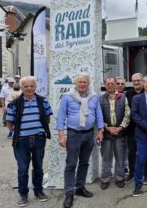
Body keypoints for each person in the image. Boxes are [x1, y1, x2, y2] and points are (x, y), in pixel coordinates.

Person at [56, 72, 104, 208]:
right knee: (71, 164)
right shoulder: (67, 97)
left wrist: (100, 130)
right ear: (75, 84)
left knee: (84, 163)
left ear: (88, 84)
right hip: (73, 134)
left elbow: (98, 114)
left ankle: (80, 187)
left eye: (85, 82)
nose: (82, 84)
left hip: (89, 134)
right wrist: (61, 135)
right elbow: (60, 117)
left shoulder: (94, 97)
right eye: (80, 82)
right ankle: (69, 193)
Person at [6, 76, 53, 207]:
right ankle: (23, 194)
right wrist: (19, 133)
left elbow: (47, 118)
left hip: (38, 140)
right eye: (26, 86)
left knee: (38, 167)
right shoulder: (14, 104)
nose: (29, 88)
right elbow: (9, 123)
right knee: (22, 169)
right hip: (21, 142)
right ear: (21, 87)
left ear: (35, 87)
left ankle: (38, 191)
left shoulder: (43, 101)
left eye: (31, 86)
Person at [99, 77, 130, 190]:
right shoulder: (100, 99)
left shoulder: (123, 97)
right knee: (106, 157)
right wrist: (107, 128)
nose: (111, 85)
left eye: (113, 83)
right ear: (105, 85)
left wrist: (120, 127)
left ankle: (120, 178)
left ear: (116, 85)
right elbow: (98, 117)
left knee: (120, 157)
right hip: (107, 134)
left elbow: (127, 114)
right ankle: (105, 179)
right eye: (108, 83)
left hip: (120, 133)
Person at [125, 73, 147, 184]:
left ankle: (146, 174)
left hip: (144, 129)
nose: (136, 82)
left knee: (145, 153)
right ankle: (132, 173)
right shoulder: (128, 94)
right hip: (131, 129)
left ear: (142, 81)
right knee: (131, 152)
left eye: (138, 80)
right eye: (134, 81)